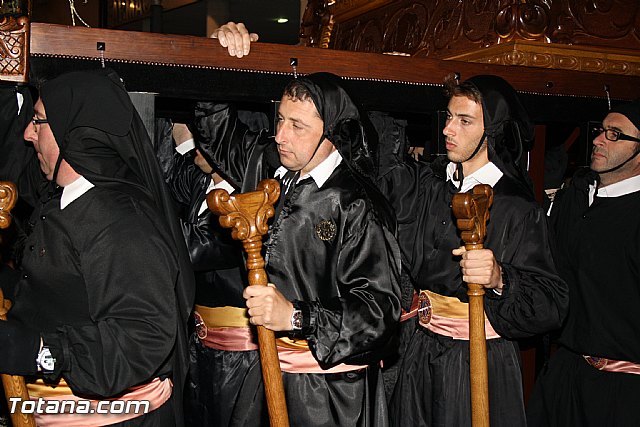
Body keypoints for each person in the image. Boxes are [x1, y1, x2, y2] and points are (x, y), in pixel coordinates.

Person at [190, 23, 402, 426]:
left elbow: (380, 313)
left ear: (333, 136)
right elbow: (216, 130)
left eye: (297, 126)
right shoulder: (272, 165)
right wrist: (221, 52)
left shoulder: (357, 204)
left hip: (330, 397)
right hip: (268, 375)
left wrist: (297, 316)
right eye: (281, 119)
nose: (280, 134)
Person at [0, 69, 195, 426]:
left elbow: (144, 335)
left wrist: (43, 352)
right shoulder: (65, 200)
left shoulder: (121, 220)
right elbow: (63, 291)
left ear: (72, 131)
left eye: (39, 122)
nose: (29, 133)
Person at [377, 74, 568, 426]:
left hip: (474, 362)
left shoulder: (517, 207)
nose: (449, 129)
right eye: (449, 117)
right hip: (420, 352)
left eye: (464, 121)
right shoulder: (429, 185)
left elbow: (552, 303)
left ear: (492, 132)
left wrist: (501, 279)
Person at [527, 99, 640, 426]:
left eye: (615, 134)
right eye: (601, 131)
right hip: (566, 375)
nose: (598, 140)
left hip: (625, 391)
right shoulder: (574, 198)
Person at [155, 120, 254, 426]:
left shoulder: (244, 199)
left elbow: (197, 246)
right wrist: (180, 140)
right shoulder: (205, 183)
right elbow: (167, 175)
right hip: (201, 342)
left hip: (237, 354)